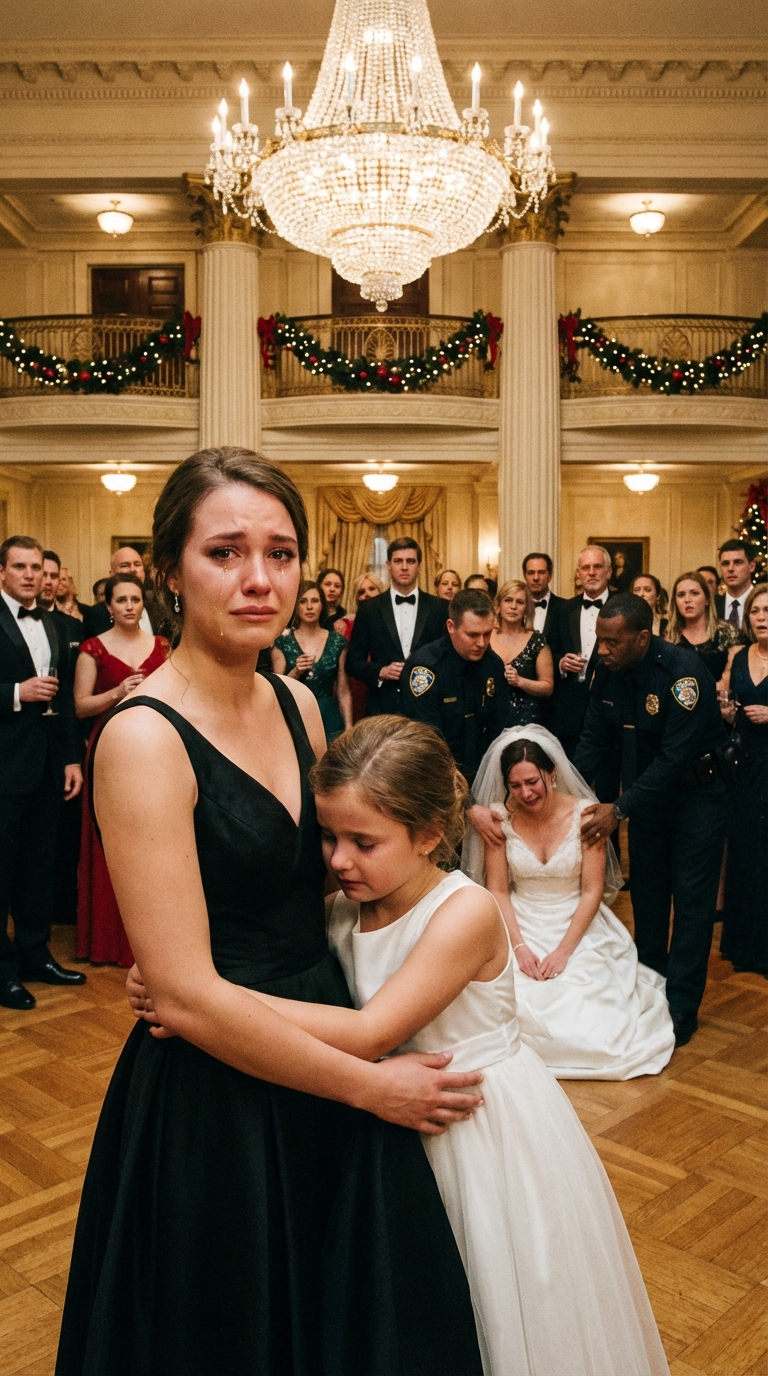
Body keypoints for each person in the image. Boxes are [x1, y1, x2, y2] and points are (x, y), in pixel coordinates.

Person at [56, 447, 485, 1376]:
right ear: (169, 571)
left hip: (327, 1026)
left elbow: (324, 877)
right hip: (222, 1086)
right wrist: (370, 1087)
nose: (260, 579)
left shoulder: (299, 701)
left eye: (281, 553)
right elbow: (188, 995)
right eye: (225, 552)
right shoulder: (141, 737)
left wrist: (453, 907)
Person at [200, 716, 671, 1376]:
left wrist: (203, 998)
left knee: (496, 1295)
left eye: (363, 842)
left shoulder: (465, 912)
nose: (338, 860)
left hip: (473, 1126)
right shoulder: (343, 907)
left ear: (428, 834)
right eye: (329, 837)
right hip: (386, 1116)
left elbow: (372, 1032)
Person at [463, 728, 674, 1079]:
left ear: (552, 774)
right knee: (502, 1000)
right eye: (515, 785)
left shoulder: (586, 816)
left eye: (532, 781)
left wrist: (562, 952)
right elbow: (498, 890)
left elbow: (592, 891)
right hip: (518, 921)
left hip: (575, 920)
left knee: (589, 1019)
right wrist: (519, 948)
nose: (525, 793)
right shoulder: (500, 819)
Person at [572, 593, 732, 1047]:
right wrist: (569, 792)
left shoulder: (684, 675)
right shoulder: (608, 669)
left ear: (643, 638)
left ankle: (681, 1005)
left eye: (612, 642)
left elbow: (673, 757)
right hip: (647, 798)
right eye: (600, 640)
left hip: (697, 796)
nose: (602, 650)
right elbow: (594, 738)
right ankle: (649, 987)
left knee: (692, 903)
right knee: (648, 897)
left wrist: (619, 809)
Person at [0, 536, 85, 1010]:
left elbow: (66, 698)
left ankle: (35, 954)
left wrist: (71, 759)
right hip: (4, 768)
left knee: (38, 869)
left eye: (36, 567)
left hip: (49, 768)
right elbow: (29, 691)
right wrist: (17, 692)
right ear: (2, 572)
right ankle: (3, 971)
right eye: (20, 567)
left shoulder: (56, 623)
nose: (31, 575)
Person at [74, 573, 169, 966]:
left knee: (154, 838)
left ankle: (154, 943)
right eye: (121, 600)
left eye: (135, 599)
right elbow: (80, 706)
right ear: (108, 606)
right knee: (111, 840)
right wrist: (117, 692)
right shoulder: (92, 649)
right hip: (108, 747)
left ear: (143, 603)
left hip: (156, 748)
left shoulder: (162, 646)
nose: (129, 606)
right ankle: (108, 941)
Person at [402, 588, 508, 788]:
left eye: (487, 634)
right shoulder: (426, 668)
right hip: (437, 776)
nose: (482, 643)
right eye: (472, 635)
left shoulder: (493, 664)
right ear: (451, 626)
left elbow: (499, 725)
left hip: (484, 772)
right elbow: (428, 740)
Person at [720, 584, 768, 977]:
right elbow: (728, 701)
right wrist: (727, 711)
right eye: (755, 611)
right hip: (746, 767)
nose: (762, 617)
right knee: (746, 849)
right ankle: (743, 945)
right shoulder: (739, 655)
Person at [347, 537, 448, 716]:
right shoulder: (369, 609)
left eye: (410, 561)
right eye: (398, 561)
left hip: (427, 708)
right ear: (388, 564)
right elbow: (352, 663)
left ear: (419, 565)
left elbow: (447, 660)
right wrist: (380, 671)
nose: (404, 567)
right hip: (382, 708)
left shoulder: (439, 608)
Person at [39, 551, 86, 925]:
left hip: (59, 750)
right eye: (42, 573)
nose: (45, 580)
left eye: (53, 575)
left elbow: (70, 695)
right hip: (15, 751)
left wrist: (73, 753)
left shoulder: (68, 627)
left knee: (56, 842)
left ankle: (45, 933)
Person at [550, 545, 614, 759]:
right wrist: (560, 663)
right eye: (585, 568)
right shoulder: (563, 609)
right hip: (570, 709)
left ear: (609, 571)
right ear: (578, 573)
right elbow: (550, 651)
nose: (591, 572)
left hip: (609, 705)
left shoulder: (621, 607)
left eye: (598, 566)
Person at [272, 580, 353, 742]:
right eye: (303, 601)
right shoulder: (282, 643)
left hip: (328, 717)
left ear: (322, 605)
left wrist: (349, 727)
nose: (309, 607)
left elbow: (343, 690)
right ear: (296, 606)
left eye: (315, 601)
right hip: (295, 716)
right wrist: (296, 671)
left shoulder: (338, 642)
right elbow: (276, 691)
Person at [491, 579, 553, 726]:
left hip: (526, 722)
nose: (513, 606)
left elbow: (548, 687)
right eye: (508, 600)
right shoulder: (485, 636)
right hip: (489, 718)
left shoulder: (536, 641)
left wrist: (520, 681)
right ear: (498, 605)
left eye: (519, 602)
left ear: (526, 609)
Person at [666, 571, 740, 684]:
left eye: (694, 593)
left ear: (707, 599)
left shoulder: (728, 633)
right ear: (675, 602)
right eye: (681, 595)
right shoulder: (668, 639)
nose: (687, 599)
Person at [333, 572, 384, 723]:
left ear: (381, 591)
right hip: (354, 691)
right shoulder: (344, 625)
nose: (366, 594)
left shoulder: (392, 622)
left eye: (372, 589)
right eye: (361, 592)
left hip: (384, 691)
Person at [82, 545, 165, 638]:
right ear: (112, 574)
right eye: (125, 565)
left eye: (137, 564)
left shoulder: (159, 610)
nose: (133, 570)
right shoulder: (95, 615)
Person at [522, 550, 564, 641]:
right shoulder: (517, 607)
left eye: (541, 572)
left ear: (550, 576)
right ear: (525, 576)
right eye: (531, 573)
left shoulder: (565, 608)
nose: (536, 578)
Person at [716, 538, 756, 630]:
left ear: (751, 566)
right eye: (725, 563)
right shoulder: (712, 606)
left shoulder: (764, 602)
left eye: (737, 562)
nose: (730, 568)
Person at [631, 573, 668, 638]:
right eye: (637, 590)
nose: (641, 594)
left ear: (658, 596)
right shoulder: (625, 624)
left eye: (647, 590)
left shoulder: (667, 626)